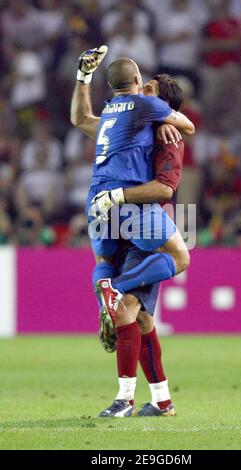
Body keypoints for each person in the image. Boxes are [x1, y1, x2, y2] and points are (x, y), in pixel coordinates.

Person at [71, 47, 194, 326]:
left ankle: (107, 300)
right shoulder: (145, 110)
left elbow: (79, 119)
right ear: (136, 79)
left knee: (106, 262)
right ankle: (116, 290)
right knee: (178, 258)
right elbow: (188, 127)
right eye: (145, 85)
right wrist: (164, 117)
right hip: (131, 206)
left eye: (152, 89)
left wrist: (83, 77)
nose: (145, 91)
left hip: (96, 198)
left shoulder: (112, 118)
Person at [97, 74, 185, 418]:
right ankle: (163, 400)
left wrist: (117, 195)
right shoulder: (143, 126)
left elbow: (165, 189)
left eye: (149, 91)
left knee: (124, 310)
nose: (140, 94)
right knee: (144, 320)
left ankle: (124, 400)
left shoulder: (169, 137)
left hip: (149, 227)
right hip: (126, 226)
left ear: (163, 104)